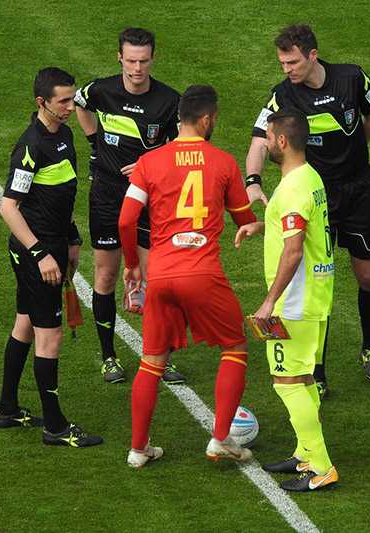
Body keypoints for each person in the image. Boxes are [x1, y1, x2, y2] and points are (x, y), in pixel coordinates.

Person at [245, 24, 370, 392]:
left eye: (292, 61)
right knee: (317, 283)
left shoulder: (351, 78)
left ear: (312, 55)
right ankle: (318, 370)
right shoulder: (283, 96)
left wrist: (358, 147)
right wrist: (252, 181)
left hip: (359, 191)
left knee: (369, 278)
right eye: (281, 62)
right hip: (316, 196)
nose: (286, 69)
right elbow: (260, 140)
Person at [118, 85, 258, 468]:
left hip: (160, 275)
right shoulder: (224, 162)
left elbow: (127, 219)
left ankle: (138, 449)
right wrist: (263, 218)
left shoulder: (150, 162)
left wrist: (132, 264)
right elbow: (244, 220)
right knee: (235, 346)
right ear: (208, 118)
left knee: (151, 360)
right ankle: (220, 439)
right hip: (202, 273)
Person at [0, 67, 103, 448]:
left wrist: (71, 238)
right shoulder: (31, 147)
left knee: (24, 323)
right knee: (50, 337)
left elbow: (61, 195)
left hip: (55, 245)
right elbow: (9, 208)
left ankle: (7, 409)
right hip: (36, 253)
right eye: (64, 101)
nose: (72, 107)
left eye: (72, 99)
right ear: (42, 103)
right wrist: (41, 254)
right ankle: (55, 427)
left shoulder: (65, 136)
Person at [74, 27, 185, 384]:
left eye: (144, 61)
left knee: (157, 281)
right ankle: (109, 357)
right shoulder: (101, 90)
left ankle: (160, 358)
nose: (137, 68)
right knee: (105, 275)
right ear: (119, 57)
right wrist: (94, 141)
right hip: (108, 195)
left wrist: (150, 165)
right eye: (131, 60)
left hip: (152, 199)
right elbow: (79, 103)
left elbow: (186, 145)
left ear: (154, 59)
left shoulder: (170, 101)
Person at [236, 109, 338, 492]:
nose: (263, 142)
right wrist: (264, 226)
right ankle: (305, 453)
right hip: (315, 294)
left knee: (287, 381)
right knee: (305, 377)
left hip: (293, 301)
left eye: (267, 136)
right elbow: (300, 231)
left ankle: (322, 466)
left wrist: (268, 303)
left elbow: (294, 252)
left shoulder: (294, 187)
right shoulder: (309, 178)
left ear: (281, 141)